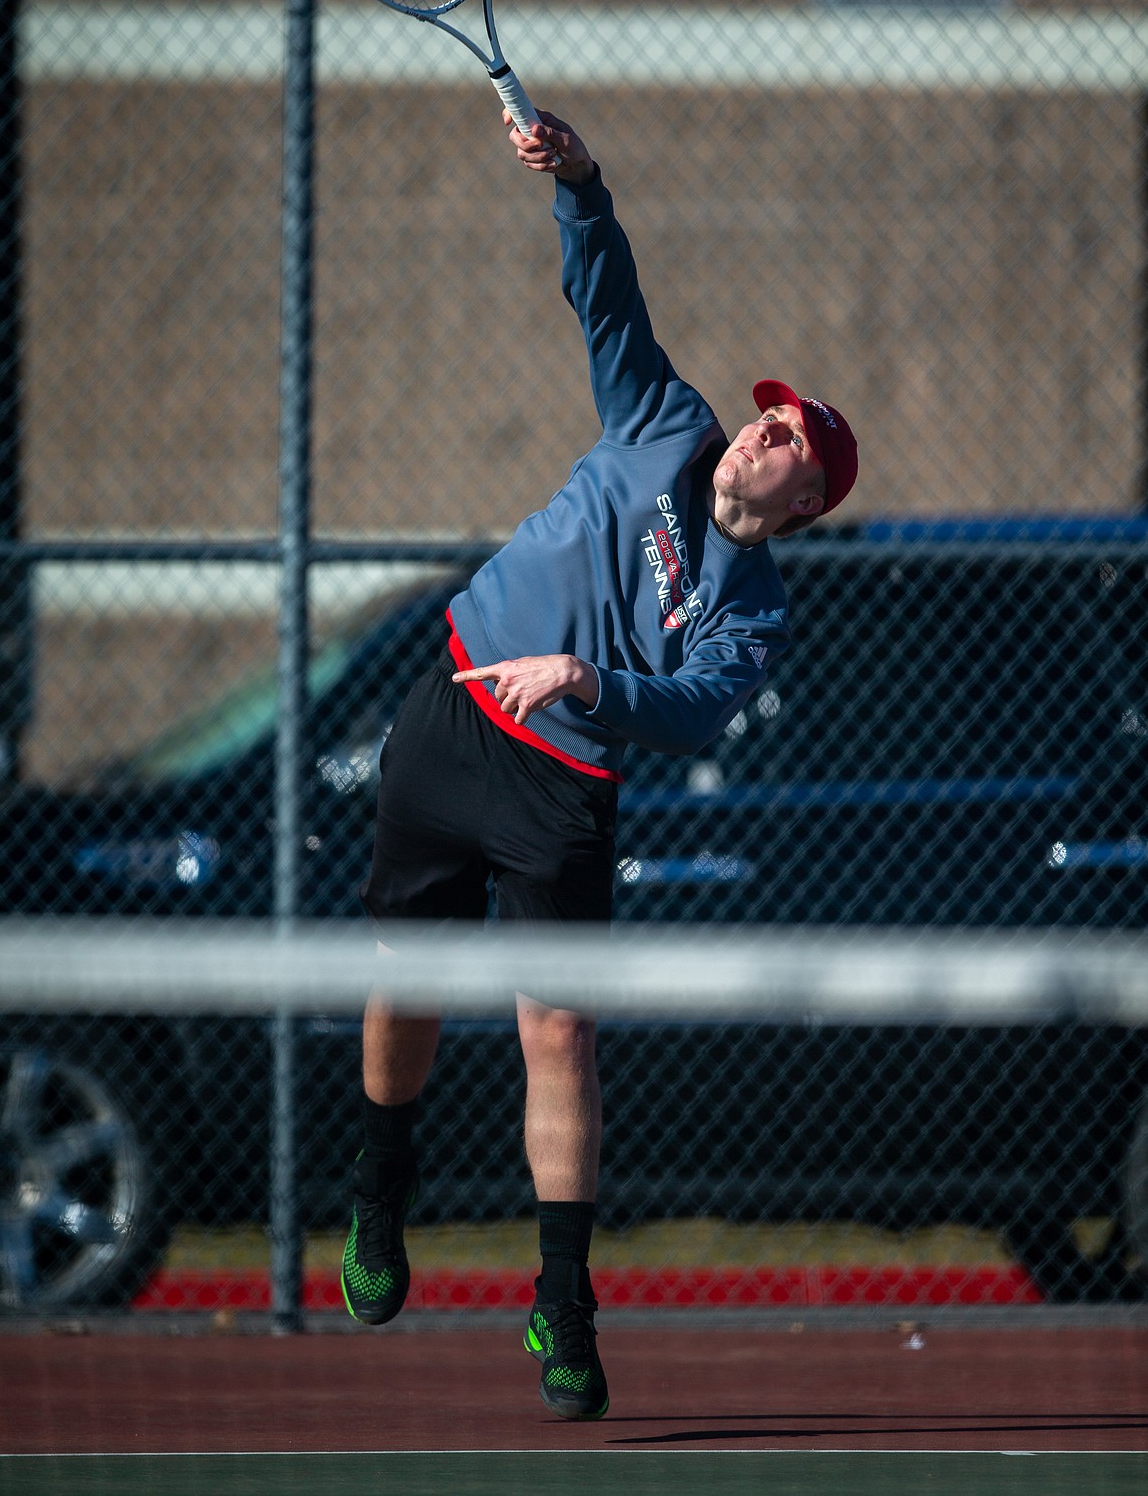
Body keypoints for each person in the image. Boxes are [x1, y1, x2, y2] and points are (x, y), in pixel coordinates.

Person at [340, 109, 858, 1420]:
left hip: (562, 789)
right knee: (403, 988)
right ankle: (375, 1195)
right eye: (769, 419)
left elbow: (689, 714)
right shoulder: (660, 424)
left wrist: (585, 683)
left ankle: (560, 1308)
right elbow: (605, 294)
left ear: (802, 504)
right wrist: (578, 177)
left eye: (789, 440)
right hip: (452, 718)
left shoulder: (756, 610)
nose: (763, 432)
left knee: (557, 1033)